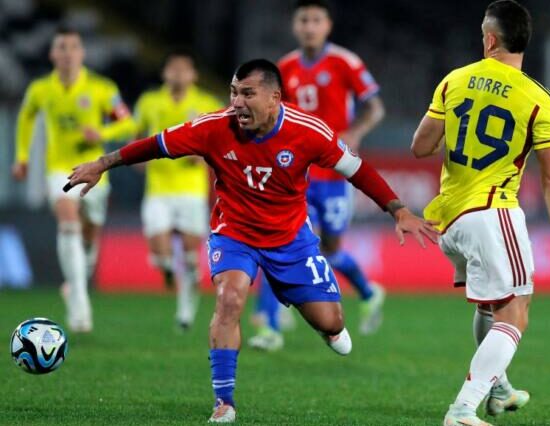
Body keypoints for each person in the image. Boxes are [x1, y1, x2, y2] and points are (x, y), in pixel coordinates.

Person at [65, 59, 438, 423]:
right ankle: (223, 402)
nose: (237, 102)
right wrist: (102, 163)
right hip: (235, 234)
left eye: (247, 93)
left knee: (333, 324)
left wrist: (399, 210)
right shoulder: (213, 127)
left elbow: (357, 170)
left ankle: (305, 305)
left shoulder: (309, 131)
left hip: (291, 239)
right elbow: (154, 145)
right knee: (229, 300)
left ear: (275, 98)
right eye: (233, 92)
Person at [411, 1, 550, 425]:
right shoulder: (539, 101)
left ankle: (499, 390)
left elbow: (421, 147)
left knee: (491, 308)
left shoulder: (455, 80)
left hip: (450, 219)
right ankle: (462, 409)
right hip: (492, 211)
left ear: (491, 39)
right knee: (516, 309)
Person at [249, 0, 387, 351]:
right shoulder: (284, 68)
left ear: (327, 25)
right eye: (303, 20)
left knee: (332, 249)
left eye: (315, 20)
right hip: (296, 174)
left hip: (336, 172)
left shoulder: (345, 62)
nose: (309, 26)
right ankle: (268, 326)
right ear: (295, 26)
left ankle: (369, 292)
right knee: (279, 241)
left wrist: (355, 133)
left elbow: (375, 107)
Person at [12, 27, 134, 333]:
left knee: (89, 236)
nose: (67, 53)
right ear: (53, 54)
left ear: (82, 53)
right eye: (61, 47)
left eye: (73, 47)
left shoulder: (101, 88)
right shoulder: (41, 89)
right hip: (59, 169)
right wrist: (22, 157)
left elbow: (127, 123)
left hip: (93, 170)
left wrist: (102, 134)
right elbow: (26, 118)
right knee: (68, 222)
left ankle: (80, 273)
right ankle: (80, 304)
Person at [133, 51, 223, 330]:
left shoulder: (206, 103)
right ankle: (168, 271)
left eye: (184, 70)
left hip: (191, 191)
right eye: (173, 69)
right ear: (165, 74)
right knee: (159, 253)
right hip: (158, 189)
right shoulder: (149, 102)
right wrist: (140, 160)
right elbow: (136, 137)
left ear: (193, 75)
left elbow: (222, 141)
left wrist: (205, 155)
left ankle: (185, 313)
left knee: (189, 254)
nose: (178, 74)